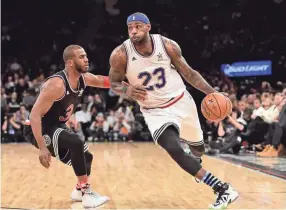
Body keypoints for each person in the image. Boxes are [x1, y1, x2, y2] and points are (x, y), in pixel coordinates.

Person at [108, 12, 239, 209]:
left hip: (181, 101)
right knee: (174, 148)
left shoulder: (167, 45)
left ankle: (195, 161)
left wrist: (214, 93)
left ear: (148, 27)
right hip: (154, 110)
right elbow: (114, 82)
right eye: (130, 28)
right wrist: (127, 89)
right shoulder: (120, 54)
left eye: (138, 26)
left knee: (198, 149)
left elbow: (189, 74)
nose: (133, 31)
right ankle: (222, 189)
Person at [23, 45, 110, 208]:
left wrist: (129, 86)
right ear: (70, 62)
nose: (86, 59)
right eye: (82, 57)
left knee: (87, 157)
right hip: (38, 128)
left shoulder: (83, 78)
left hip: (56, 125)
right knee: (76, 142)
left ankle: (78, 190)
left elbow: (102, 81)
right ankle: (86, 194)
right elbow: (34, 115)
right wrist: (42, 147)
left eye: (86, 56)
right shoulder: (56, 84)